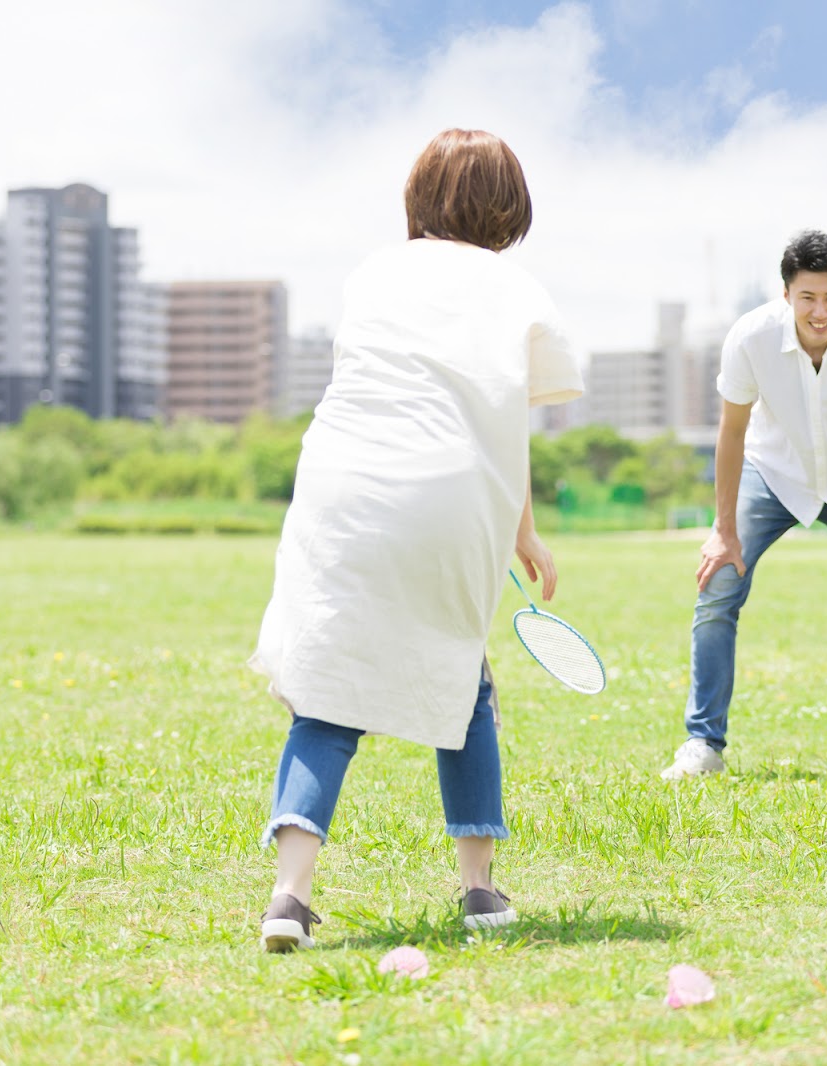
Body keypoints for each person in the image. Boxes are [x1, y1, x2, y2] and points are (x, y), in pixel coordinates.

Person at [250, 129, 584, 951]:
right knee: (463, 690)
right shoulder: (516, 289)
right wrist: (525, 532)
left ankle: (289, 899)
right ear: (508, 206)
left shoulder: (372, 272)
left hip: (341, 485)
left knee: (327, 696)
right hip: (450, 493)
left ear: (421, 198)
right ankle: (480, 889)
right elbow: (503, 422)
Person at [661, 230, 827, 781]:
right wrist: (723, 529)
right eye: (808, 298)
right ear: (786, 294)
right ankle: (703, 743)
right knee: (717, 582)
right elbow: (730, 432)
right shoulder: (750, 337)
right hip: (772, 472)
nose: (820, 312)